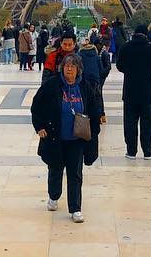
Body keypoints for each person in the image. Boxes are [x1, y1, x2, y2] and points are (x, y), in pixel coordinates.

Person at [31, 53, 105, 224]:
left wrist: (94, 131)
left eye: (72, 66)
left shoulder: (86, 86)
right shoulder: (52, 85)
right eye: (66, 66)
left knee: (75, 174)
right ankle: (54, 196)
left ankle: (75, 208)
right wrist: (40, 127)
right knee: (55, 169)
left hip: (77, 140)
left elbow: (94, 109)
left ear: (78, 69)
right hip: (56, 137)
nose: (69, 69)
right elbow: (37, 106)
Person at [115, 23, 151, 160]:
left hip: (130, 90)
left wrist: (130, 72)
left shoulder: (125, 47)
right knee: (148, 123)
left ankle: (131, 151)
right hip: (147, 92)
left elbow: (119, 66)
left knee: (129, 122)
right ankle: (147, 151)